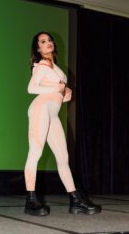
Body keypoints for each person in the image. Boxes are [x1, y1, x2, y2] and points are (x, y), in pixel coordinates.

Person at [24, 31, 101, 216]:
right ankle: (31, 201)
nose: (48, 42)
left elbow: (56, 92)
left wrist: (65, 94)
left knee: (63, 158)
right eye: (43, 41)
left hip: (53, 114)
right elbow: (31, 88)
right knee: (36, 151)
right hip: (40, 110)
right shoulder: (40, 66)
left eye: (49, 40)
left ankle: (75, 201)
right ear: (38, 48)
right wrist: (55, 87)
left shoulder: (55, 67)